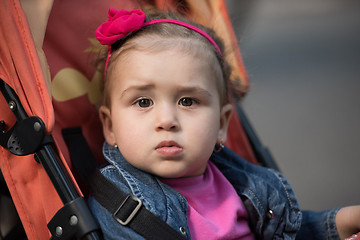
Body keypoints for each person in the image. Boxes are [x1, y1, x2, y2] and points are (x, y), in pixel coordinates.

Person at [87, 8, 360, 240]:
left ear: (221, 123)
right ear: (110, 126)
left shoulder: (242, 182)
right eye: (144, 102)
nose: (167, 121)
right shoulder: (123, 204)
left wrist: (343, 221)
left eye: (187, 101)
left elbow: (287, 230)